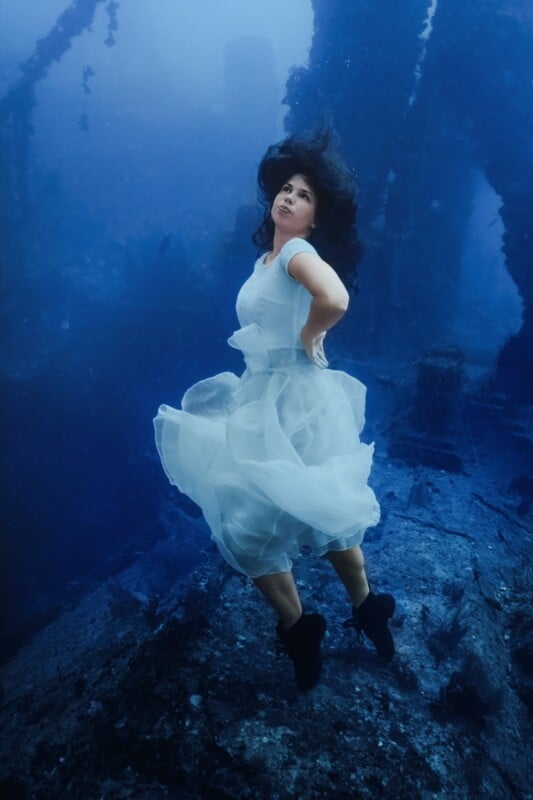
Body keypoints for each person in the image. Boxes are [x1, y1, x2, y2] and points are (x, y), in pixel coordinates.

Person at [154, 132, 395, 691]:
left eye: (304, 195)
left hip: (295, 396)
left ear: (316, 215)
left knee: (291, 509)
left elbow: (334, 299)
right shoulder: (269, 256)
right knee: (289, 510)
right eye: (285, 189)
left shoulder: (295, 252)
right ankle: (333, 617)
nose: (288, 199)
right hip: (264, 393)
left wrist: (311, 335)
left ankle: (344, 614)